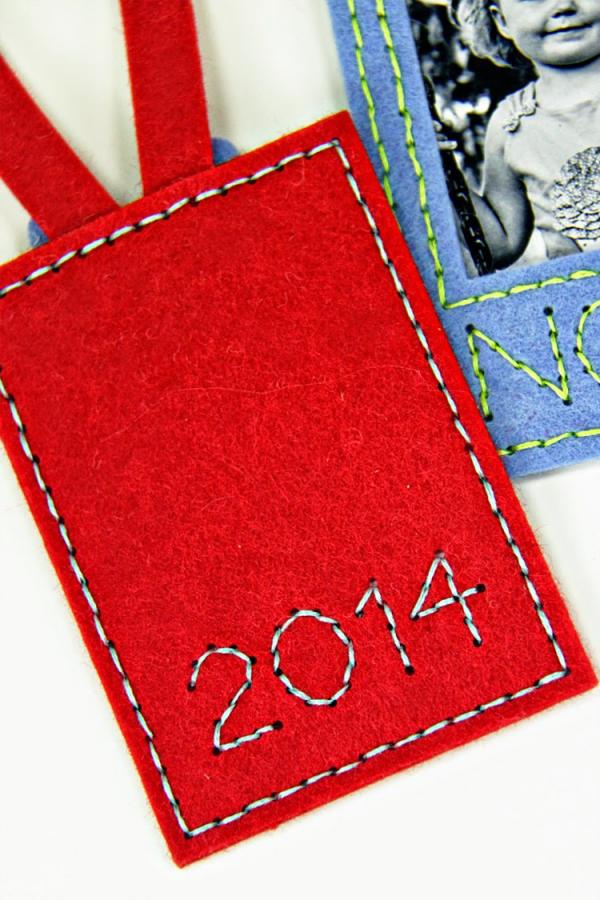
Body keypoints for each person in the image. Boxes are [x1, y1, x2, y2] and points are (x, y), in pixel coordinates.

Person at [451, 0, 600, 268]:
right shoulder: (512, 124)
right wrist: (436, 161)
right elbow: (499, 246)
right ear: (501, 21)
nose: (563, 6)